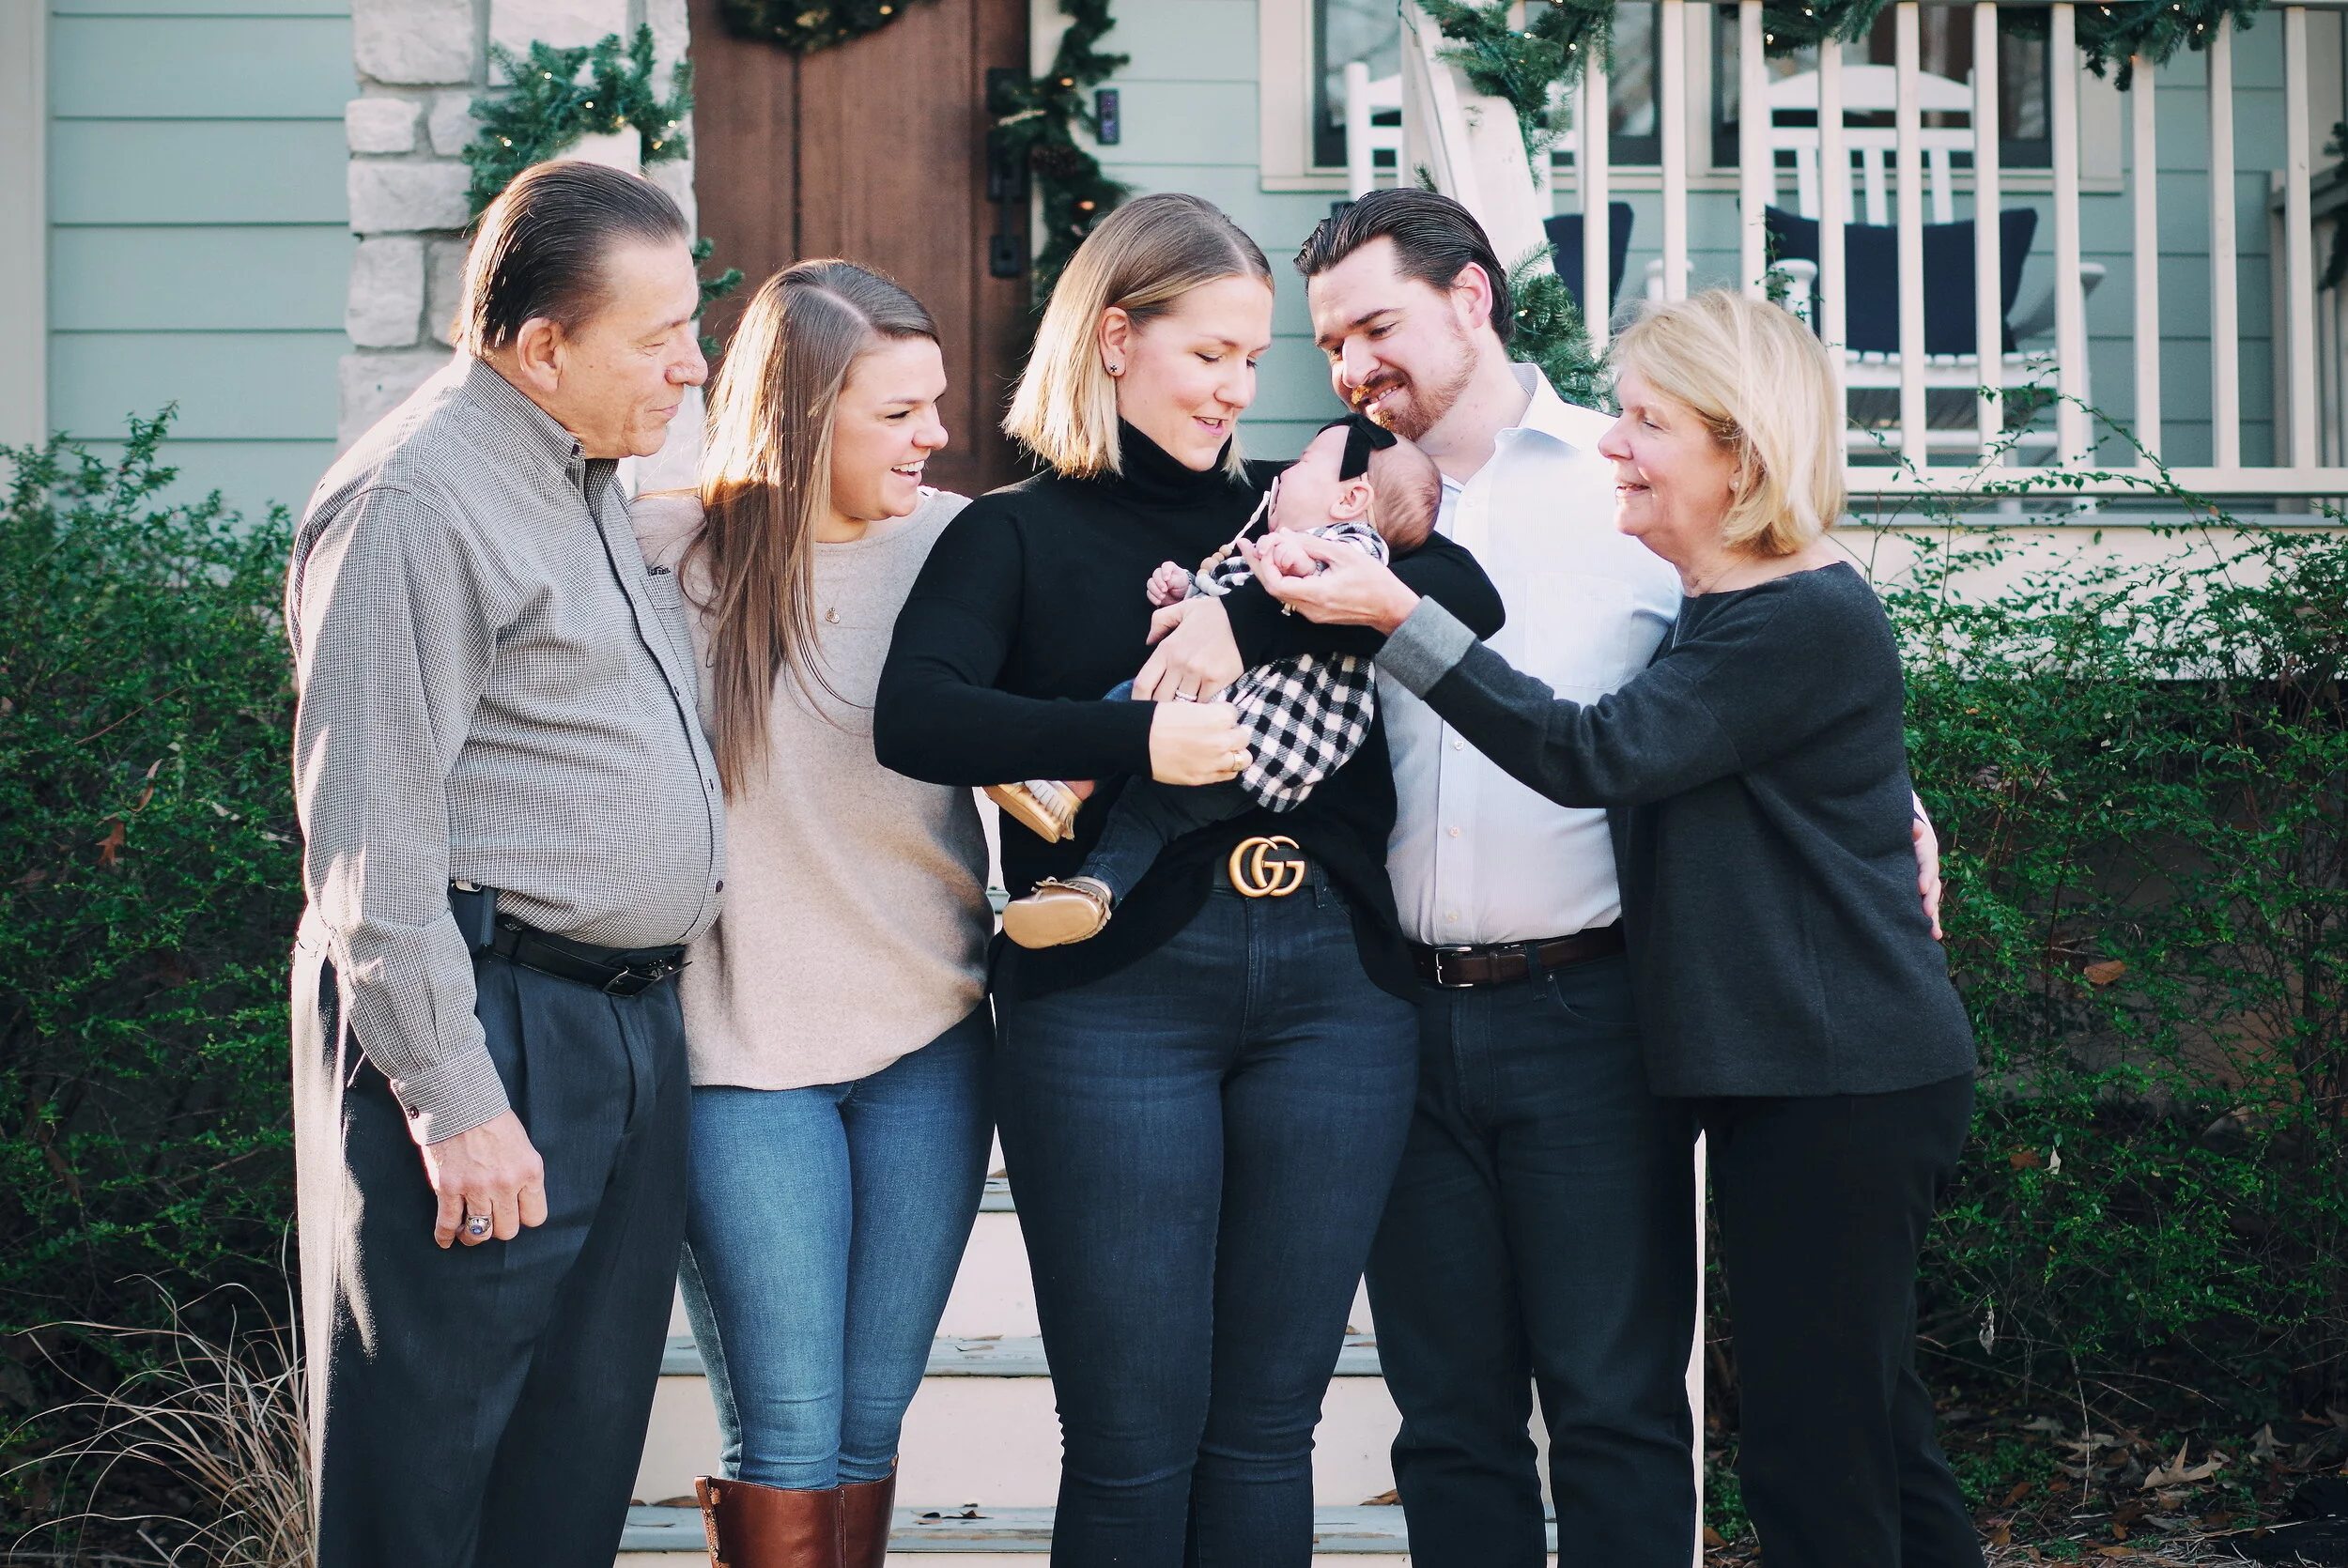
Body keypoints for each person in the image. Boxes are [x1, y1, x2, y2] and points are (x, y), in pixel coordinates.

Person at [1253, 287, 1984, 1568]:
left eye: (1647, 422)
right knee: (1866, 1427)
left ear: (1738, 455)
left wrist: (1397, 616)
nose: (1613, 443)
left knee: (1817, 1452)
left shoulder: (1793, 613)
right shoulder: (1730, 604)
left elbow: (1593, 751)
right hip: (1797, 1071)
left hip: (1839, 1076)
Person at [872, 192, 1503, 1567]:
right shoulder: (1014, 534)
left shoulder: (1298, 511)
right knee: (1131, 1440)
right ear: (1114, 339)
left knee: (1268, 1432)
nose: (1237, 388)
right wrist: (1139, 738)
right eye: (1209, 353)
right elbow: (916, 716)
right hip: (1111, 1005)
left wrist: (1252, 606)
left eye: (1252, 358)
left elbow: (1462, 603)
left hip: (1338, 1001)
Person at [286, 161, 718, 1568]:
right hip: (492, 1027)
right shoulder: (417, 500)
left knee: (568, 1475)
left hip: (622, 1027)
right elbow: (370, 837)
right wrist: (453, 1095)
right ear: (542, 347)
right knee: (426, 1482)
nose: (693, 363)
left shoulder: (584, 474)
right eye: (661, 337)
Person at [629, 261, 994, 1568]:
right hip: (741, 1056)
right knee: (788, 1428)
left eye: (934, 403)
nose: (934, 435)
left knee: (867, 1420)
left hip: (929, 1041)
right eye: (897, 413)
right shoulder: (661, 556)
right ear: (799, 415)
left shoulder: (965, 549)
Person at [997, 412, 1443, 947]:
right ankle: (1094, 891)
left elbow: (1322, 586)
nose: (1283, 473)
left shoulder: (1352, 548)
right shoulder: (1285, 544)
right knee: (1149, 814)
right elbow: (1229, 607)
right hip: (1258, 757)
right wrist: (1186, 590)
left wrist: (1295, 560)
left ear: (1351, 499)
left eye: (1303, 462)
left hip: (1254, 724)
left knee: (1132, 702)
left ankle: (1067, 784)